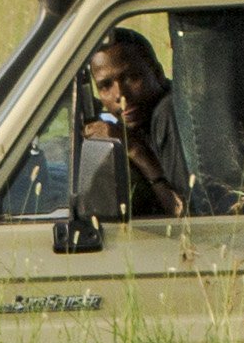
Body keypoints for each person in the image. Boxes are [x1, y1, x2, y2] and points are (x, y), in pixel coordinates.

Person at [70, 30, 183, 220]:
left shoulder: (168, 113)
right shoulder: (141, 121)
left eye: (131, 77)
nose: (119, 95)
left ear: (157, 72)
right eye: (105, 86)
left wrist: (133, 148)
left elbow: (186, 216)